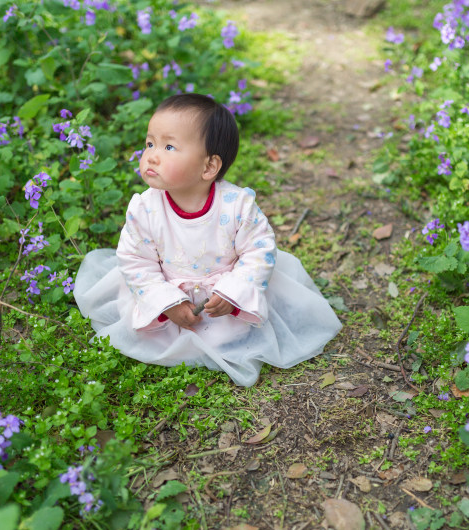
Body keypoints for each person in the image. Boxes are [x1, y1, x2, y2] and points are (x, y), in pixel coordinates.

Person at [73, 93, 342, 386]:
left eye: (169, 146)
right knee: (149, 326)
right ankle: (172, 317)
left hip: (222, 296)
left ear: (209, 167)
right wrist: (166, 303)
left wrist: (233, 292)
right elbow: (136, 260)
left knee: (234, 332)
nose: (152, 154)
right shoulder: (145, 208)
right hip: (167, 286)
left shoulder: (236, 206)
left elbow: (259, 250)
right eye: (150, 143)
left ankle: (228, 328)